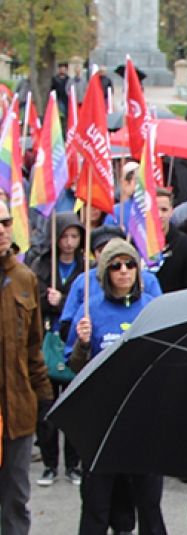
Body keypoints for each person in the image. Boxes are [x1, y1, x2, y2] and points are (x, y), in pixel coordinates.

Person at [65, 238, 167, 535]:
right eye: (116, 266)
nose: (124, 271)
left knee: (149, 503)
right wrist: (83, 344)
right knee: (97, 503)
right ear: (105, 273)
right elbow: (75, 367)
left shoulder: (153, 307)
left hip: (143, 420)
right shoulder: (91, 311)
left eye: (130, 264)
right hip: (101, 421)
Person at [0, 199, 54, 535]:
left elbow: (34, 348)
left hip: (17, 410)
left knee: (16, 500)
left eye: (5, 222)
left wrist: (44, 397)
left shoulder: (24, 278)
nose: (2, 230)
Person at [29, 212, 85, 487]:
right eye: (65, 236)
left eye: (75, 237)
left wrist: (62, 301)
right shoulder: (41, 266)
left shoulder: (84, 268)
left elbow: (83, 303)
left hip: (72, 345)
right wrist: (46, 299)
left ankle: (74, 464)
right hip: (46, 344)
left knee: (74, 408)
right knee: (47, 409)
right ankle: (50, 464)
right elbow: (32, 301)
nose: (69, 243)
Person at [152, 188, 187, 293]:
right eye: (154, 210)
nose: (159, 215)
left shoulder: (185, 245)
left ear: (171, 211)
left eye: (164, 210)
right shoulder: (137, 242)